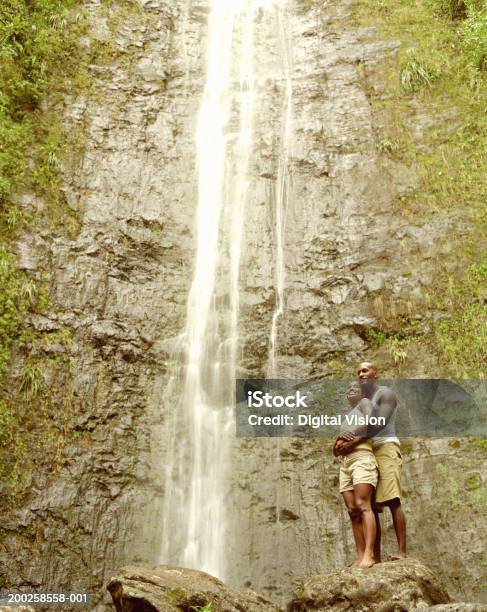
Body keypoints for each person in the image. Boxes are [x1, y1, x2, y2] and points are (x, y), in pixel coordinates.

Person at [335, 362, 407, 561]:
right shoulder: (363, 400)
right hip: (367, 450)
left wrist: (350, 440)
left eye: (365, 370)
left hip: (385, 447)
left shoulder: (386, 394)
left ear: (376, 374)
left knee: (392, 499)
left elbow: (377, 423)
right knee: (371, 506)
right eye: (358, 371)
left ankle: (402, 552)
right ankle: (374, 556)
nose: (361, 374)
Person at [333, 382, 378, 567]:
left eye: (355, 388)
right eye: (348, 389)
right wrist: (337, 443)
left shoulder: (365, 403)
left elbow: (373, 423)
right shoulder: (347, 417)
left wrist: (348, 438)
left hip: (361, 458)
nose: (350, 390)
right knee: (352, 510)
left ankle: (369, 554)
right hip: (345, 464)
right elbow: (336, 448)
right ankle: (359, 555)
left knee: (363, 505)